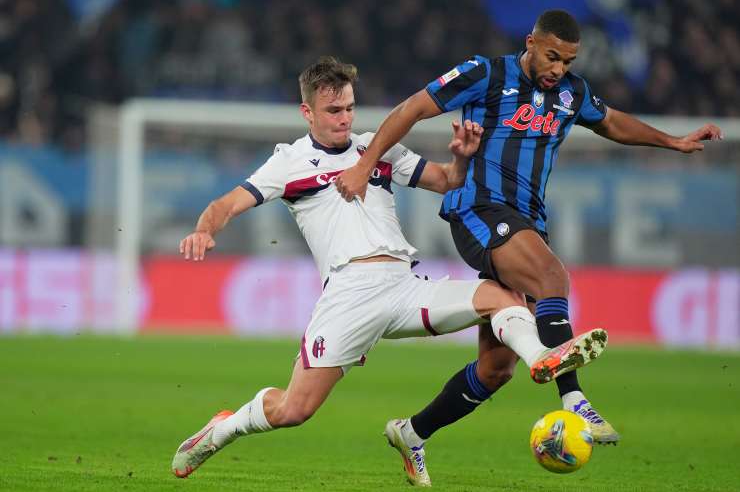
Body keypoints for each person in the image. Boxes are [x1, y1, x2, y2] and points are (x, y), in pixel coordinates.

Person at [170, 56, 608, 482]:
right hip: (348, 296)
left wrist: (460, 159)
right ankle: (222, 428)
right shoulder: (290, 162)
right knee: (294, 410)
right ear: (307, 112)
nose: (344, 118)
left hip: (403, 286)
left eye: (349, 107)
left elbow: (444, 181)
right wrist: (205, 229)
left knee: (502, 299)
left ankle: (541, 359)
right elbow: (225, 204)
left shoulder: (374, 147)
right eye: (333, 110)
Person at [335, 9, 722, 486]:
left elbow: (613, 123)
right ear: (531, 42)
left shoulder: (571, 93)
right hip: (477, 209)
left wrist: (674, 142)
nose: (559, 68)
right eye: (553, 56)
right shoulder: (485, 73)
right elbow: (413, 108)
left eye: (569, 60)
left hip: (526, 224)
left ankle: (412, 432)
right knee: (552, 279)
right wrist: (364, 164)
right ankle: (574, 400)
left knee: (496, 369)